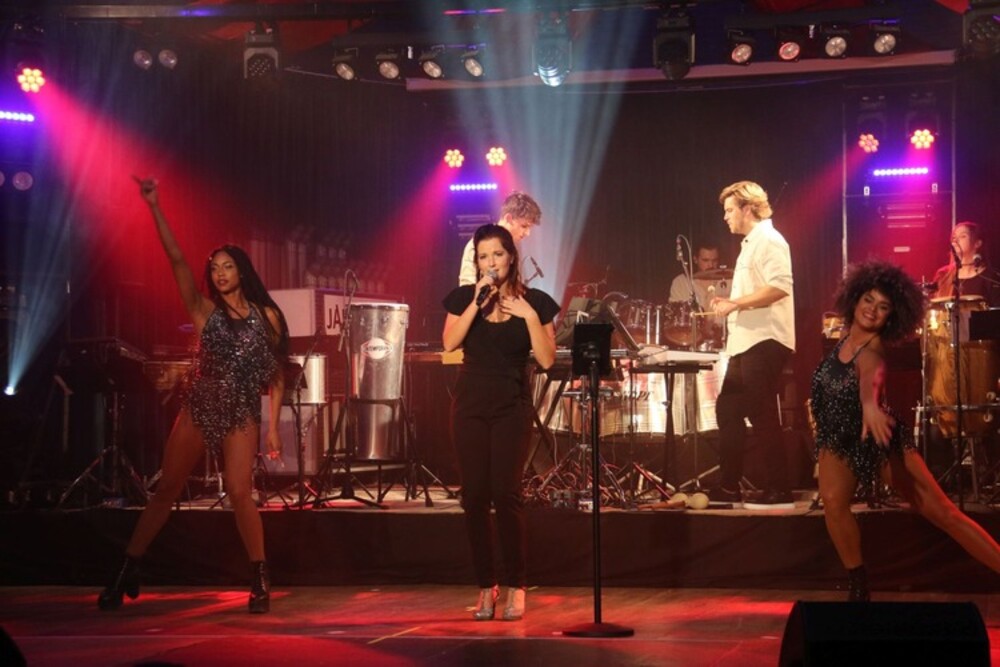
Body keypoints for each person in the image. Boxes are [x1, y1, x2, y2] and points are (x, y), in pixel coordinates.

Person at [98, 177, 289, 613]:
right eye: (215, 268)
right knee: (167, 487)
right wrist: (155, 206)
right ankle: (127, 569)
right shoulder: (204, 312)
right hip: (201, 404)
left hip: (242, 410)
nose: (220, 273)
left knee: (239, 491)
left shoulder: (268, 316)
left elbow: (277, 375)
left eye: (227, 266)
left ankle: (259, 576)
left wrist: (274, 428)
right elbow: (176, 259)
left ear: (241, 271)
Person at [810, 260, 1000, 600]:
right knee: (834, 502)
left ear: (891, 317)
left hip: (879, 438)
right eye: (869, 300)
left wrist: (870, 406)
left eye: (883, 307)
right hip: (840, 439)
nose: (873, 310)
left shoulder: (872, 350)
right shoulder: (843, 341)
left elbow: (871, 380)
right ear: (855, 298)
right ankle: (858, 587)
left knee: (944, 514)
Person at [443, 223, 559, 621]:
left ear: (511, 257)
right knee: (474, 497)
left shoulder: (536, 302)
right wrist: (476, 303)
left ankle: (516, 585)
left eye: (497, 254)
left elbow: (547, 360)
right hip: (470, 406)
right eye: (483, 256)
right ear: (476, 263)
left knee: (506, 494)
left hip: (511, 406)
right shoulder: (466, 298)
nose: (490, 262)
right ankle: (485, 585)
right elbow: (449, 343)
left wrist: (529, 317)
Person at [709, 181, 795, 508]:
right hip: (745, 342)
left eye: (730, 209)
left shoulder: (770, 240)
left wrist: (735, 303)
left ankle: (780, 488)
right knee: (728, 409)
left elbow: (779, 287)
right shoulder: (750, 244)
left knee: (761, 412)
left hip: (765, 339)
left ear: (747, 209)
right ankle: (729, 486)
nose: (726, 217)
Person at [458, 191, 542, 286]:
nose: (527, 233)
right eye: (524, 226)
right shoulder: (478, 244)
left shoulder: (512, 247)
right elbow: (466, 287)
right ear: (509, 218)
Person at [669, 242, 731, 347]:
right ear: (695, 259)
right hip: (690, 340)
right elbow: (675, 316)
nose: (710, 265)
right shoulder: (681, 282)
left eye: (714, 261)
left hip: (725, 340)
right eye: (705, 260)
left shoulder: (728, 281)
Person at [930, 221, 1000, 306]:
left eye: (963, 236)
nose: (956, 240)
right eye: (954, 237)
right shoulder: (943, 275)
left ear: (977, 243)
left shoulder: (990, 277)